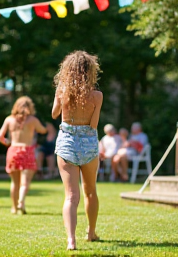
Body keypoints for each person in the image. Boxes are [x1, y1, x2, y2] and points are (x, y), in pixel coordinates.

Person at [52, 50, 103, 250]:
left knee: (71, 196)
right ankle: (91, 232)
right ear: (90, 71)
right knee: (90, 191)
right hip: (88, 142)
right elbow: (94, 125)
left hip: (66, 140)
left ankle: (71, 240)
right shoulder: (97, 95)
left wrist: (60, 96)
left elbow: (55, 114)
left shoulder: (62, 91)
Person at [0, 96, 47, 214]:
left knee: (14, 183)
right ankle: (21, 202)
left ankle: (14, 208)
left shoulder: (9, 119)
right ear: (30, 107)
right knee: (25, 182)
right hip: (27, 150)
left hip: (13, 150)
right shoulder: (32, 120)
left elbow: (0, 136)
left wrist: (8, 143)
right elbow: (42, 130)